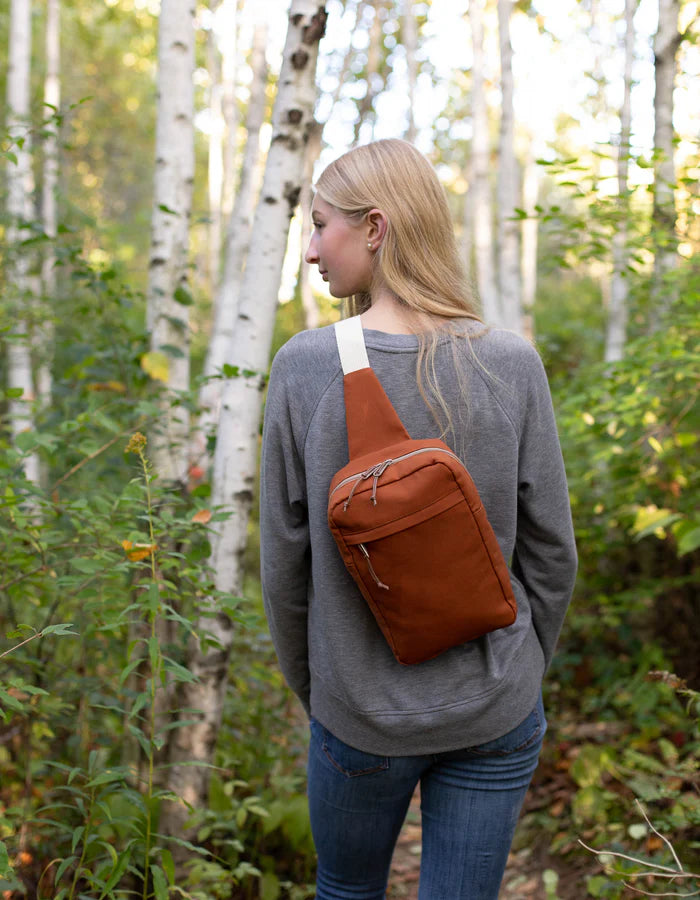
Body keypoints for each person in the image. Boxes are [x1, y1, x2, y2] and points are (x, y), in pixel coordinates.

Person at [259, 139, 577, 900]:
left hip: (359, 716)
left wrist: (326, 691)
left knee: (347, 889)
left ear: (374, 228)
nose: (310, 251)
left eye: (321, 225)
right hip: (496, 708)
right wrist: (520, 670)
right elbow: (552, 553)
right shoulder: (510, 362)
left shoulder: (306, 366)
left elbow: (283, 567)